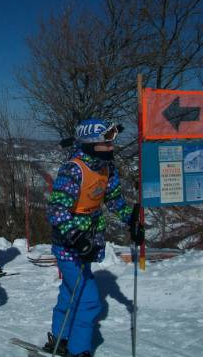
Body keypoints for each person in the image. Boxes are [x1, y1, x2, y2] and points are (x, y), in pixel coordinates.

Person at [43, 119, 144, 357]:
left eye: (112, 142)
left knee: (71, 291)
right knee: (88, 300)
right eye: (106, 143)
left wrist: (131, 220)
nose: (111, 147)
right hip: (69, 245)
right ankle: (79, 350)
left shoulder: (106, 167)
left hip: (88, 242)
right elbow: (56, 210)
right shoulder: (73, 170)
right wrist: (76, 237)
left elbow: (114, 200)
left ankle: (61, 337)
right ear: (90, 144)